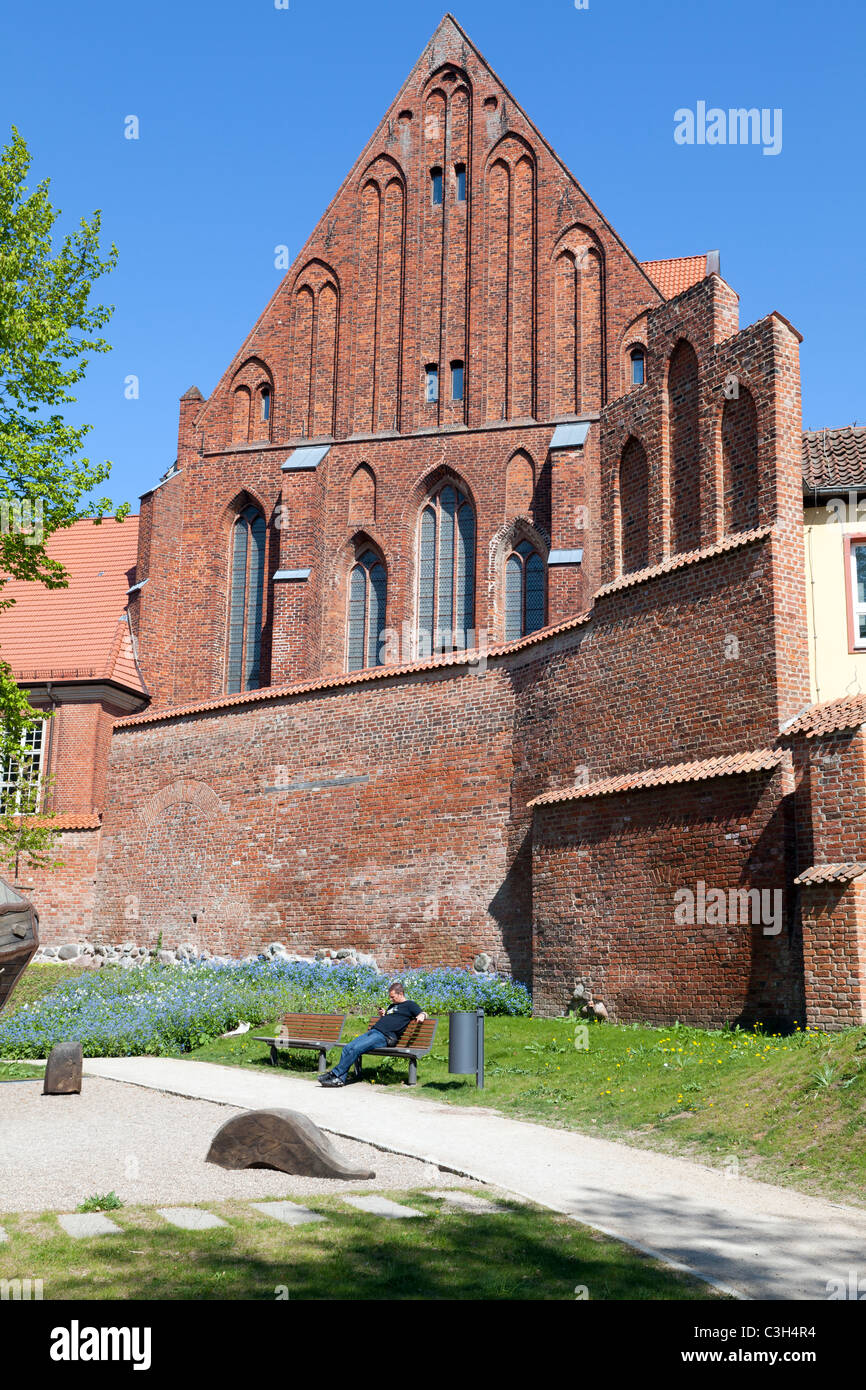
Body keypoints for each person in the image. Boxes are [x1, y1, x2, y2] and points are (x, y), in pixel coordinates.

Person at [319, 981, 427, 1087]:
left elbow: (422, 1012)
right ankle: (340, 1079)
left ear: (401, 994)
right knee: (348, 1048)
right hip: (374, 1032)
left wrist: (422, 1015)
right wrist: (383, 1015)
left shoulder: (410, 1005)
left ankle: (334, 1074)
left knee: (356, 1049)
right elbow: (392, 1019)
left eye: (393, 997)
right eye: (390, 997)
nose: (391, 999)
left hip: (385, 1036)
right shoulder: (391, 1006)